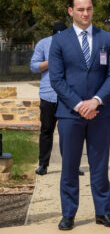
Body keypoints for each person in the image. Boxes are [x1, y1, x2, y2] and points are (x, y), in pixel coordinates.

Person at [49, 0, 110, 231]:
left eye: (89, 8)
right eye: (80, 9)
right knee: (69, 165)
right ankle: (69, 214)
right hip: (70, 114)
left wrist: (96, 101)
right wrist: (80, 105)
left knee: (100, 165)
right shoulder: (59, 41)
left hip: (100, 113)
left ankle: (103, 212)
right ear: (71, 11)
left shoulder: (107, 38)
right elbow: (57, 80)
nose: (85, 13)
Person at [30, 22, 85, 177]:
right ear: (52, 33)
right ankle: (43, 164)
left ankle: (73, 166)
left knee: (71, 132)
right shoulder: (43, 44)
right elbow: (34, 66)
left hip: (68, 96)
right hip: (48, 95)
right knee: (46, 131)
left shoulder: (74, 44)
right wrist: (51, 62)